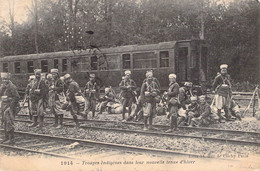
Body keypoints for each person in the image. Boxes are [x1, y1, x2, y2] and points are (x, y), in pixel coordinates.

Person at [0, 72, 20, 144]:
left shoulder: (12, 87)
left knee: (9, 122)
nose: (4, 81)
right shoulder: (3, 86)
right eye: (3, 79)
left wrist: (10, 106)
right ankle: (6, 138)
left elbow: (17, 97)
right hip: (4, 106)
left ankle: (12, 139)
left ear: (8, 79)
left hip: (10, 107)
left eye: (5, 79)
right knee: (5, 122)